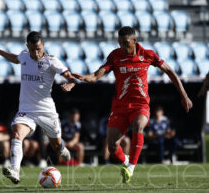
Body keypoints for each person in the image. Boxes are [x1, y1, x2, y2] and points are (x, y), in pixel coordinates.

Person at [72, 26, 193, 183]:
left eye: (125, 42)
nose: (122, 46)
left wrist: (184, 95)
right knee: (112, 147)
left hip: (140, 104)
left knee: (138, 125)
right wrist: (84, 78)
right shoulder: (115, 56)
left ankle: (131, 168)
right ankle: (126, 161)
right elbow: (97, 74)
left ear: (134, 40)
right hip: (120, 107)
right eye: (120, 42)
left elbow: (169, 71)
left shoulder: (148, 55)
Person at [0, 31, 76, 184]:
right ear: (27, 46)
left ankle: (61, 148)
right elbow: (15, 58)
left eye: (39, 49)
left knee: (55, 145)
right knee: (16, 135)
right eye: (33, 49)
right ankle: (15, 170)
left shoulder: (52, 61)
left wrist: (70, 84)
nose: (36, 52)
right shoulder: (24, 56)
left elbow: (70, 76)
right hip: (26, 110)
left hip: (47, 111)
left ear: (43, 46)